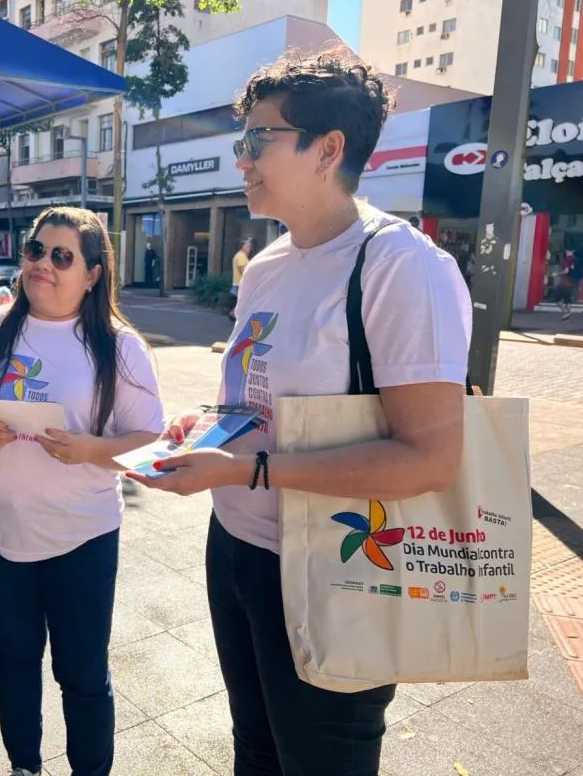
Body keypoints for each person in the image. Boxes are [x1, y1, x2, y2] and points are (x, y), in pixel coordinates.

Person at [130, 50, 472, 776]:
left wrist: (246, 469)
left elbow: (430, 458)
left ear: (328, 148)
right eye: (242, 139)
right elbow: (257, 401)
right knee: (255, 750)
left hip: (338, 562)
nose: (241, 158)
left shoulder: (400, 266)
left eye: (259, 139)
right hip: (236, 547)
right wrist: (208, 426)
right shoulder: (266, 267)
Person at [0, 207, 165, 776]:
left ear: (92, 274)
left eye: (62, 256)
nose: (43, 264)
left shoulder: (119, 347)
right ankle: (24, 766)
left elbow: (148, 437)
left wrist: (91, 449)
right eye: (36, 250)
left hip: (83, 536)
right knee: (14, 659)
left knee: (82, 674)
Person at [228, 239, 251, 320]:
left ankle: (235, 315)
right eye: (247, 246)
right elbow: (244, 271)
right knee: (244, 301)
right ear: (242, 247)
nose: (249, 249)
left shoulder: (241, 256)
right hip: (241, 283)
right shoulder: (241, 256)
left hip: (239, 282)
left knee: (243, 301)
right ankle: (234, 314)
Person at [557, 250, 581, 321]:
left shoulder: (567, 259)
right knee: (568, 300)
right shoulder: (577, 260)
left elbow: (566, 271)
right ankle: (567, 318)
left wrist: (556, 274)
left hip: (565, 282)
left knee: (556, 299)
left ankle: (566, 313)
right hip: (573, 282)